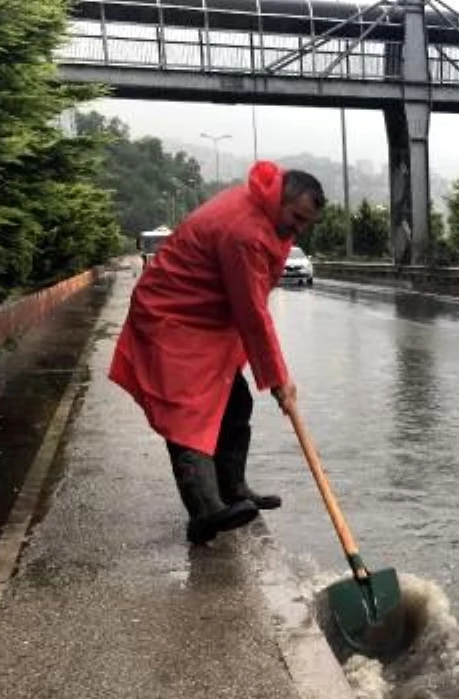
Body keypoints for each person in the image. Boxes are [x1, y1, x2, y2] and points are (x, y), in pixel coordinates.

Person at [109, 161, 325, 544]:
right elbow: (253, 315)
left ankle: (233, 489)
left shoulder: (268, 212)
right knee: (188, 416)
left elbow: (253, 301)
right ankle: (205, 511)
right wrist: (279, 380)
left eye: (307, 223)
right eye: (297, 218)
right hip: (170, 316)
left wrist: (275, 378)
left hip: (202, 318)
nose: (298, 229)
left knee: (235, 403)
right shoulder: (245, 232)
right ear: (280, 199)